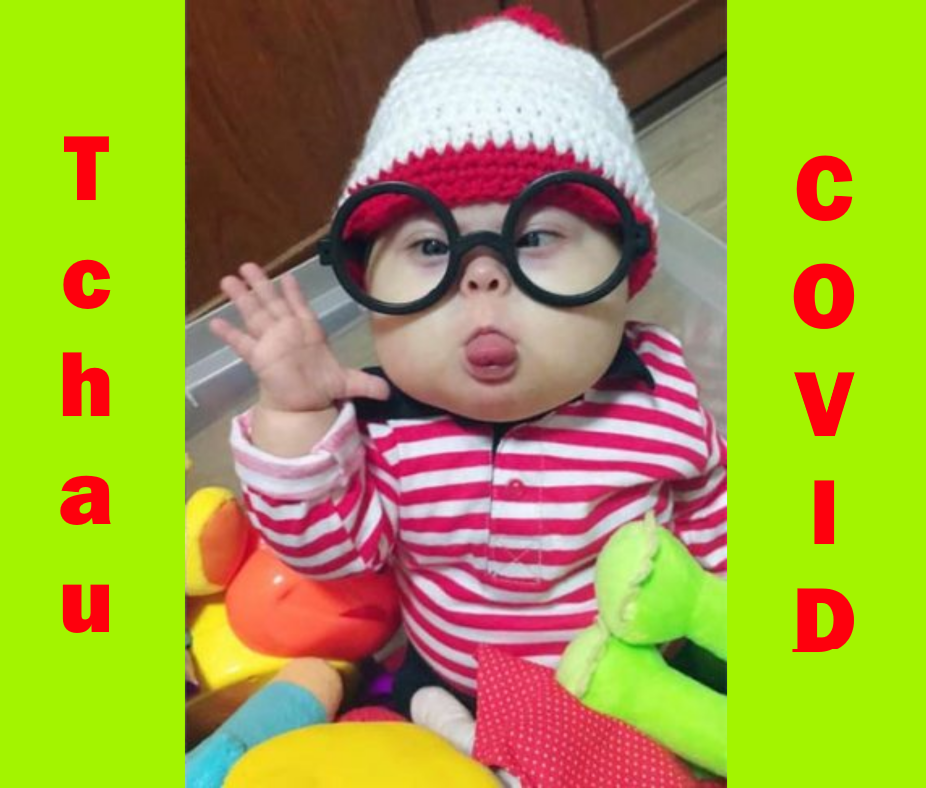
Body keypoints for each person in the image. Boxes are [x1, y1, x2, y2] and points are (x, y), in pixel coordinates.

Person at [210, 7, 726, 719]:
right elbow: (328, 555)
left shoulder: (656, 391)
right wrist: (296, 416)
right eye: (430, 248)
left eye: (535, 237)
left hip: (640, 681)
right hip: (462, 688)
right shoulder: (377, 428)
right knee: (401, 727)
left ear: (627, 271)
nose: (482, 277)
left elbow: (712, 514)